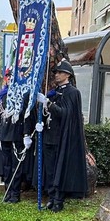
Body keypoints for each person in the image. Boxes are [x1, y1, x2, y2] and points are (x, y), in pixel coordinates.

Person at [33, 60, 88, 212]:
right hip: (49, 135)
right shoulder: (54, 92)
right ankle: (51, 197)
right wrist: (41, 119)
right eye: (55, 73)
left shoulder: (72, 92)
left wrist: (48, 104)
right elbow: (48, 113)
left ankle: (58, 199)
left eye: (59, 72)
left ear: (67, 75)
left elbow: (66, 114)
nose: (56, 75)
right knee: (50, 169)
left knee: (59, 169)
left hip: (62, 138)